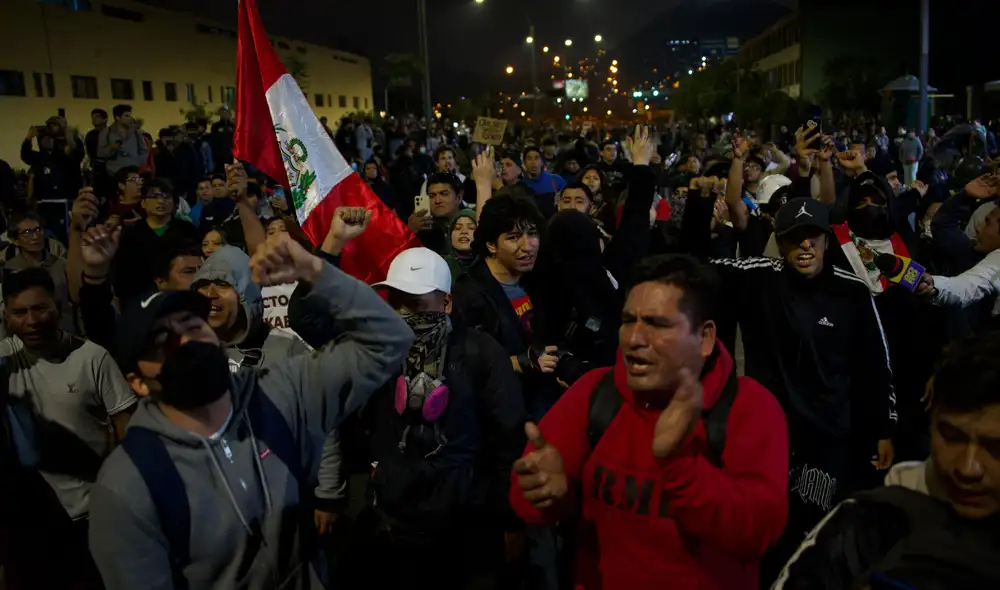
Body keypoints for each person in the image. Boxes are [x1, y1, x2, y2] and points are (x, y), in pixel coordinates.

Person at [87, 231, 414, 589]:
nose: (188, 341)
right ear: (138, 382)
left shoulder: (279, 392)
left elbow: (390, 339)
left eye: (193, 325)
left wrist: (315, 270)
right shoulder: (128, 486)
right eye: (165, 341)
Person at [510, 254, 788, 589]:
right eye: (628, 321)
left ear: (705, 338)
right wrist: (548, 496)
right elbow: (528, 502)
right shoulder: (595, 393)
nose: (633, 339)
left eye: (656, 323)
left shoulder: (751, 408)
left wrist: (679, 467)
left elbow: (758, 532)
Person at [683, 196, 896, 582]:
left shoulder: (852, 292)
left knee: (815, 541)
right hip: (766, 438)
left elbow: (875, 364)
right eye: (795, 238)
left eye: (813, 236)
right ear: (780, 243)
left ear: (827, 241)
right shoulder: (759, 277)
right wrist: (700, 209)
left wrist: (883, 427)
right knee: (759, 536)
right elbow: (695, 269)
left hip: (828, 437)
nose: (805, 246)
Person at [349, 247, 527, 588]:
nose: (403, 313)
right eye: (397, 302)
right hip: (398, 518)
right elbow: (309, 321)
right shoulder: (380, 351)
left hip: (466, 522)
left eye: (415, 304)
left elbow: (509, 439)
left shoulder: (481, 352)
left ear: (446, 303)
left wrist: (511, 520)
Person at [773, 330, 1000, 588]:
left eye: (996, 447)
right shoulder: (865, 527)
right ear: (931, 413)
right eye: (952, 437)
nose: (967, 468)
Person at [0, 268, 136, 544]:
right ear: (6, 316)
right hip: (29, 520)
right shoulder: (4, 361)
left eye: (40, 308)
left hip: (94, 513)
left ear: (58, 307)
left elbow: (129, 430)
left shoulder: (92, 358)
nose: (32, 321)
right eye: (20, 313)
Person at [111, 178, 199, 304]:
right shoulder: (131, 233)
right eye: (154, 196)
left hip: (181, 298)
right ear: (143, 203)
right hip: (139, 299)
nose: (160, 201)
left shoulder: (187, 231)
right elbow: (122, 272)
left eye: (166, 196)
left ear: (175, 203)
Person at [407, 172, 467, 255]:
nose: (437, 201)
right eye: (432, 196)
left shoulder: (474, 221)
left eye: (444, 194)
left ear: (459, 197)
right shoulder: (423, 230)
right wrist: (409, 232)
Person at [98, 104, 148, 175]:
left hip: (133, 170)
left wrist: (137, 162)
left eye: (130, 116)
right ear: (117, 117)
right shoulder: (106, 132)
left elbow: (143, 150)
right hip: (114, 171)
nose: (130, 118)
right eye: (126, 116)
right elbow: (100, 153)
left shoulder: (136, 132)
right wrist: (111, 148)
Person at [521, 146, 567, 216]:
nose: (533, 162)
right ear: (524, 163)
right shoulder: (522, 185)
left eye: (536, 158)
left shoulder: (556, 180)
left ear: (542, 162)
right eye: (529, 158)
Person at [210, 106, 235, 173]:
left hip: (231, 155)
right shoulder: (216, 126)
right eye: (222, 112)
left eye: (225, 112)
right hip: (220, 156)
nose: (224, 114)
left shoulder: (232, 126)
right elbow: (213, 141)